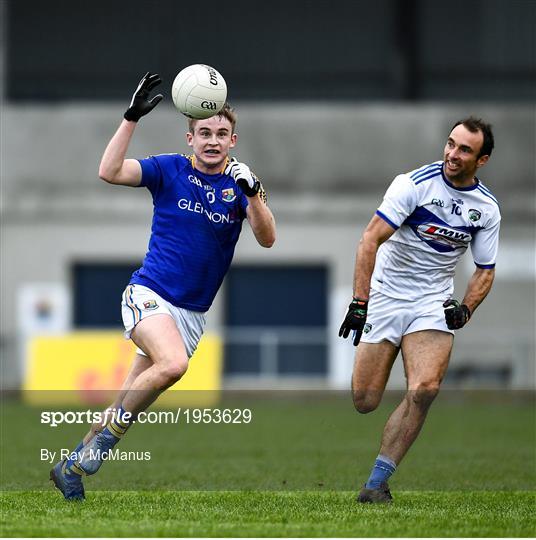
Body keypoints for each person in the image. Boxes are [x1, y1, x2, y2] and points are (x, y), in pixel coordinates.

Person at [50, 72, 276, 500]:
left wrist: (254, 195)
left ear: (233, 141)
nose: (213, 140)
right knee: (172, 365)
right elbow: (109, 171)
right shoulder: (169, 169)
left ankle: (72, 466)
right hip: (149, 295)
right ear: (190, 137)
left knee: (125, 404)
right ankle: (101, 448)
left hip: (191, 315)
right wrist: (131, 118)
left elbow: (267, 238)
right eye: (204, 132)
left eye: (221, 134)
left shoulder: (241, 184)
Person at [339, 117, 500, 503]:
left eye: (464, 149)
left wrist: (465, 309)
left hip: (432, 302)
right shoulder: (413, 184)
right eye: (450, 144)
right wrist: (360, 303)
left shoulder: (487, 209)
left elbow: (485, 270)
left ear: (482, 160)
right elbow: (369, 240)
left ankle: (377, 482)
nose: (452, 154)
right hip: (387, 295)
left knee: (425, 389)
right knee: (365, 401)